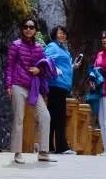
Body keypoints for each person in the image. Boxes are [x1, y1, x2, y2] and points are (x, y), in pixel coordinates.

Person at [5, 17, 57, 164]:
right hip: (18, 85)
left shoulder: (39, 48)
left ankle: (43, 152)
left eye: (31, 27)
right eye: (26, 26)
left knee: (45, 116)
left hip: (33, 87)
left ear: (35, 30)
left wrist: (38, 70)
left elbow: (45, 66)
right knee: (19, 118)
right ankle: (17, 153)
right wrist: (8, 85)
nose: (28, 29)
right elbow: (9, 66)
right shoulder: (15, 45)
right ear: (22, 29)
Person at [44, 25, 80, 154]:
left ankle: (48, 146)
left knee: (54, 116)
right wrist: (54, 70)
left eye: (64, 34)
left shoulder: (64, 49)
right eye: (60, 33)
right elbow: (46, 60)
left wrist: (73, 66)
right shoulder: (52, 46)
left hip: (62, 85)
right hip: (55, 85)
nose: (63, 35)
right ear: (55, 34)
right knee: (59, 116)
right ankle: (62, 146)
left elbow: (62, 65)